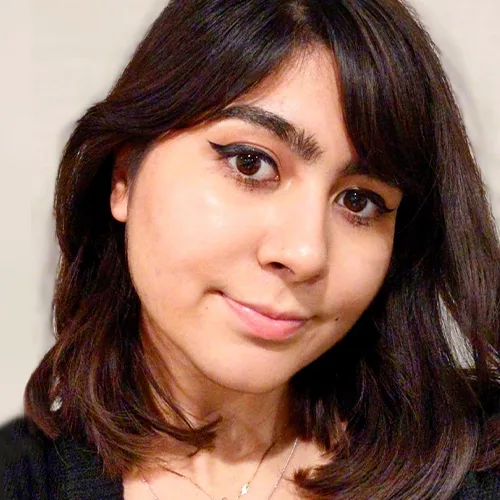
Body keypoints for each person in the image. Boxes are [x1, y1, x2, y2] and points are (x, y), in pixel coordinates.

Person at [1, 0, 499, 498]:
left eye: (359, 201)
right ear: (124, 178)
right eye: (250, 164)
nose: (305, 252)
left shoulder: (477, 469)